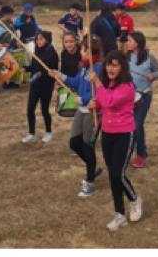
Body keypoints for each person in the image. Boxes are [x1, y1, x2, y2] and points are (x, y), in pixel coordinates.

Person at [88, 50, 142, 231]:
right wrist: (92, 105)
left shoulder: (127, 87)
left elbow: (110, 102)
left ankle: (134, 199)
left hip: (124, 135)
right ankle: (120, 215)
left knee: (118, 174)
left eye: (115, 65)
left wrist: (97, 83)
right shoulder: (107, 84)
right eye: (108, 64)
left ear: (122, 67)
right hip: (108, 134)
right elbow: (102, 103)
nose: (110, 68)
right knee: (113, 175)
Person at [49, 34, 105, 197]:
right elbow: (75, 82)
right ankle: (93, 168)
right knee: (74, 142)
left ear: (89, 51)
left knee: (88, 146)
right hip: (81, 110)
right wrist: (60, 76)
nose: (80, 52)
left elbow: (99, 92)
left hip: (93, 112)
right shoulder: (85, 68)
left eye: (82, 49)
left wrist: (84, 99)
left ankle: (90, 182)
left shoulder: (99, 69)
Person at [127, 32, 158, 168]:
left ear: (137, 43)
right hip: (129, 95)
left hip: (144, 94)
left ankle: (141, 154)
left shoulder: (149, 57)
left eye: (130, 41)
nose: (127, 43)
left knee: (137, 123)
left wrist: (152, 76)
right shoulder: (127, 56)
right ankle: (132, 150)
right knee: (129, 124)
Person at [21, 31, 59, 144]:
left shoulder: (52, 54)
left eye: (41, 39)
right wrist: (26, 68)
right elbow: (33, 67)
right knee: (30, 109)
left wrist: (43, 73)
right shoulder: (36, 52)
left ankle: (48, 132)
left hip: (46, 86)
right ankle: (31, 133)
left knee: (44, 110)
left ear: (47, 40)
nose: (38, 41)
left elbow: (54, 71)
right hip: (35, 85)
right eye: (37, 39)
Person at [0, 6, 19, 93]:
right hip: (1, 47)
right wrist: (2, 45)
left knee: (11, 63)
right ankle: (5, 82)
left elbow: (13, 33)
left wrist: (16, 40)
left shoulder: (10, 23)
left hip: (10, 45)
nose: (12, 16)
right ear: (6, 15)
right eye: (11, 15)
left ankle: (12, 81)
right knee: (4, 65)